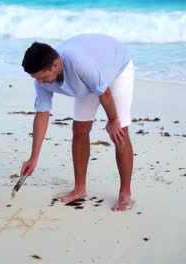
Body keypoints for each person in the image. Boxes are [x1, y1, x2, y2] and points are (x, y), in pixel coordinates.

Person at [20, 34, 135, 211]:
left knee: (120, 132)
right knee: (80, 129)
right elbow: (42, 114)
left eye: (42, 77)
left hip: (117, 67)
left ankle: (125, 193)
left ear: (55, 65)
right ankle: (80, 188)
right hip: (89, 78)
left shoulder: (79, 64)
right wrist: (34, 157)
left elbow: (104, 93)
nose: (39, 82)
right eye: (36, 78)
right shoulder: (41, 80)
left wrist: (112, 120)